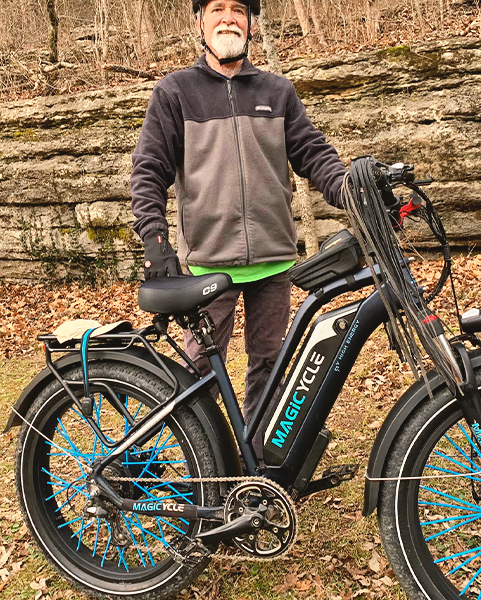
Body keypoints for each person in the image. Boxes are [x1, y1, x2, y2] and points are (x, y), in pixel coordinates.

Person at [130, 0, 346, 457]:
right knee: (200, 376)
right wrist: (154, 238)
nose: (228, 18)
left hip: (273, 258)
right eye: (217, 9)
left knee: (269, 366)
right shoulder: (176, 92)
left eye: (238, 10)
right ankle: (204, 468)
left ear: (250, 23)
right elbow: (149, 169)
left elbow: (312, 154)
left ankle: (257, 461)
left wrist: (350, 188)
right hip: (209, 263)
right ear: (200, 22)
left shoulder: (277, 90)